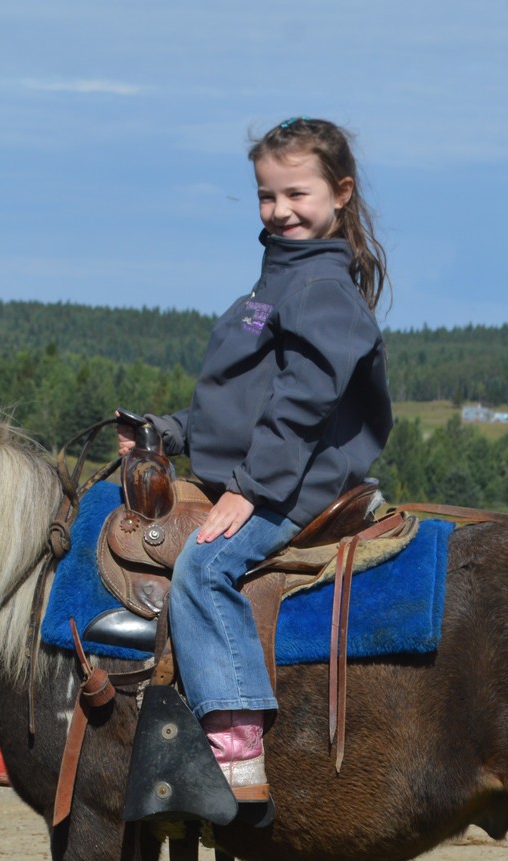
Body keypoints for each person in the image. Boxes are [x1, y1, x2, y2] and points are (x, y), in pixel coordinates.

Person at [117, 116, 393, 801]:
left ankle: (235, 745)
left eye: (297, 194)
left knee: (205, 566)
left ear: (342, 192)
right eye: (268, 196)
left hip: (293, 484)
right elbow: (237, 404)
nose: (281, 210)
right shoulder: (271, 285)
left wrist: (249, 490)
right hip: (259, 473)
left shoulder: (320, 289)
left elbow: (303, 401)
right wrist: (167, 432)